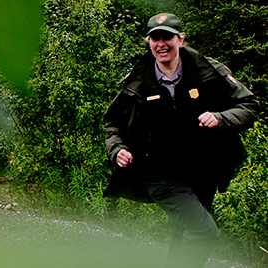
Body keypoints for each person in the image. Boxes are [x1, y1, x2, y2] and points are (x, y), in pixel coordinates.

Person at [103, 13, 259, 268]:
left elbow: (250, 104)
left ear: (181, 39)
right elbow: (112, 123)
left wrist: (221, 118)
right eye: (155, 38)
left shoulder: (208, 70)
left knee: (184, 233)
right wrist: (117, 149)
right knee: (205, 231)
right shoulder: (139, 81)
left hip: (202, 170)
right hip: (159, 173)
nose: (161, 44)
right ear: (149, 42)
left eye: (167, 37)